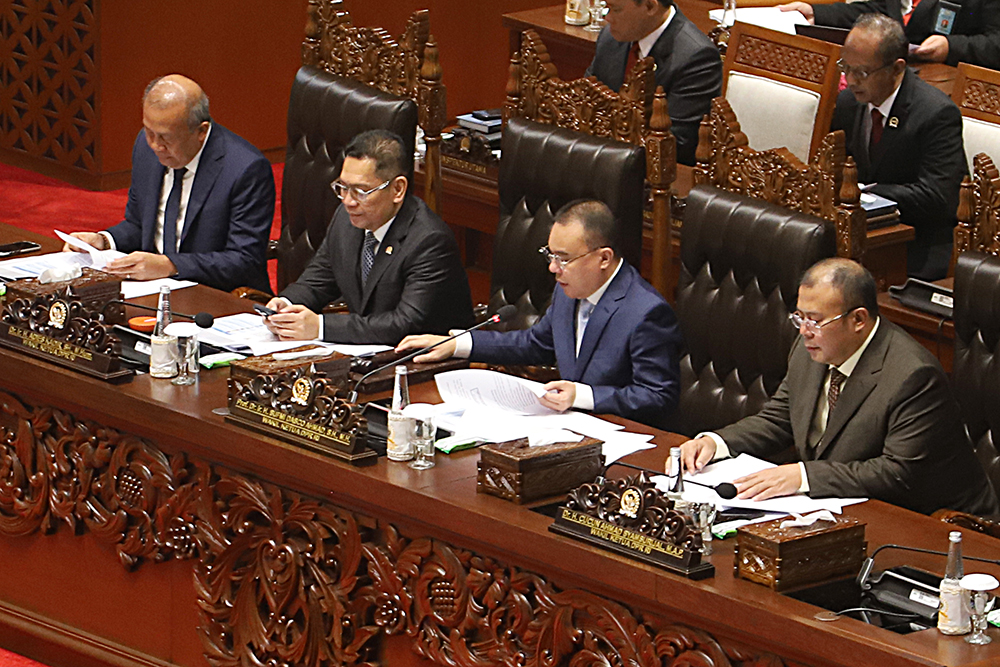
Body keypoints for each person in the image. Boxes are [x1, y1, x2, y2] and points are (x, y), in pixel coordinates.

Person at [678, 258, 998, 516]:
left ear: (858, 320)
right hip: (846, 506)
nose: (804, 331)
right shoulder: (811, 349)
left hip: (935, 522)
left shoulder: (913, 377)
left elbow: (897, 473)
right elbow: (780, 418)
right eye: (799, 317)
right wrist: (716, 442)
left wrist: (802, 477)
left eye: (815, 320)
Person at [396, 200, 682, 428]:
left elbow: (657, 396)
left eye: (564, 259)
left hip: (621, 439)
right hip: (566, 429)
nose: (553, 268)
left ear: (604, 258)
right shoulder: (569, 290)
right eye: (551, 255)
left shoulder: (645, 312)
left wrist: (581, 396)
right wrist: (458, 344)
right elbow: (537, 343)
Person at [63, 75, 274, 293]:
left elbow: (244, 260)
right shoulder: (145, 149)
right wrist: (104, 241)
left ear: (201, 131)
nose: (156, 146)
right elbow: (139, 225)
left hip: (218, 295)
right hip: (152, 289)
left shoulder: (245, 169)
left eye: (166, 137)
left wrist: (170, 265)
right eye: (149, 132)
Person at [263, 129, 473, 345]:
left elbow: (404, 324)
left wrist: (321, 327)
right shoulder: (347, 219)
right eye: (343, 187)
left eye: (361, 191)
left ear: (398, 189)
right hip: (369, 353)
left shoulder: (429, 241)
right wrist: (286, 306)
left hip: (425, 361)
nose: (348, 201)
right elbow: (319, 280)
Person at [831, 14, 966, 281]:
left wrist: (866, 193)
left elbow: (938, 198)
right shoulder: (848, 103)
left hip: (919, 242)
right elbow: (834, 167)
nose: (851, 80)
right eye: (846, 67)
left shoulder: (936, 114)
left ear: (897, 69)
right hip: (863, 233)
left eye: (862, 72)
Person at [585, 0, 722, 167]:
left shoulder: (696, 56)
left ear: (650, 6)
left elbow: (677, 143)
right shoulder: (610, 38)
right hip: (603, 160)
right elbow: (587, 100)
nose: (608, 17)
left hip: (658, 175)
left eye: (615, 9)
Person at [779, 0, 1000, 70]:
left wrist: (951, 47)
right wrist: (817, 13)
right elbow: (878, 11)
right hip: (887, 75)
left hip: (943, 86)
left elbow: (995, 43)